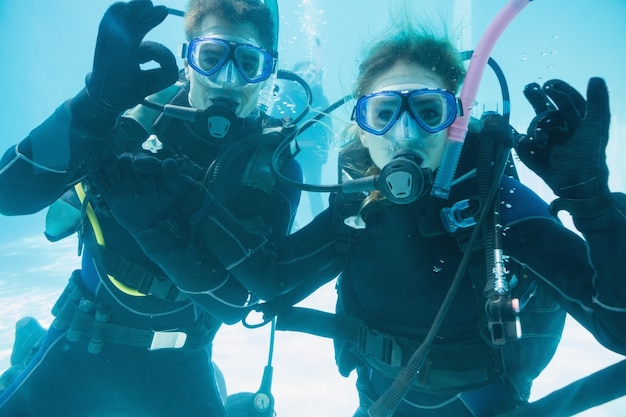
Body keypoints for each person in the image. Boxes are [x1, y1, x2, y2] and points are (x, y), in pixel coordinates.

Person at [173, 23, 626, 416]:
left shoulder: (496, 204)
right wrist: (184, 195)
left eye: (428, 112)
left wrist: (592, 206)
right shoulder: (356, 210)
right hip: (379, 404)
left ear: (457, 122)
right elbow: (269, 280)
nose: (405, 133)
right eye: (385, 113)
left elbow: (617, 329)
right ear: (362, 129)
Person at [0, 0, 301, 416]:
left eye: (248, 63)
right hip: (81, 340)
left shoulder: (273, 166)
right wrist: (93, 105)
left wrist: (152, 226)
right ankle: (26, 357)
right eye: (211, 57)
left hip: (182, 363)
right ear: (187, 57)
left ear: (268, 71)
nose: (228, 81)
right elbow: (8, 195)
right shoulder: (126, 116)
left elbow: (235, 305)